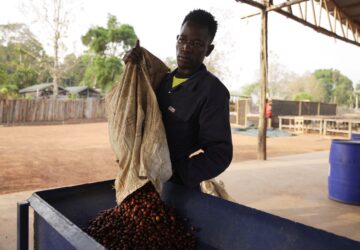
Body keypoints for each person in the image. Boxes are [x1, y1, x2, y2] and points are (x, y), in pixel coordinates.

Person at [124, 9, 232, 188]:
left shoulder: (212, 91)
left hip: (177, 186)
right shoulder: (161, 80)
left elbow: (220, 154)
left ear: (209, 49)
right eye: (182, 40)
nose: (186, 48)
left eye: (196, 43)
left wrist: (175, 172)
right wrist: (131, 66)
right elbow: (134, 102)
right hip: (140, 176)